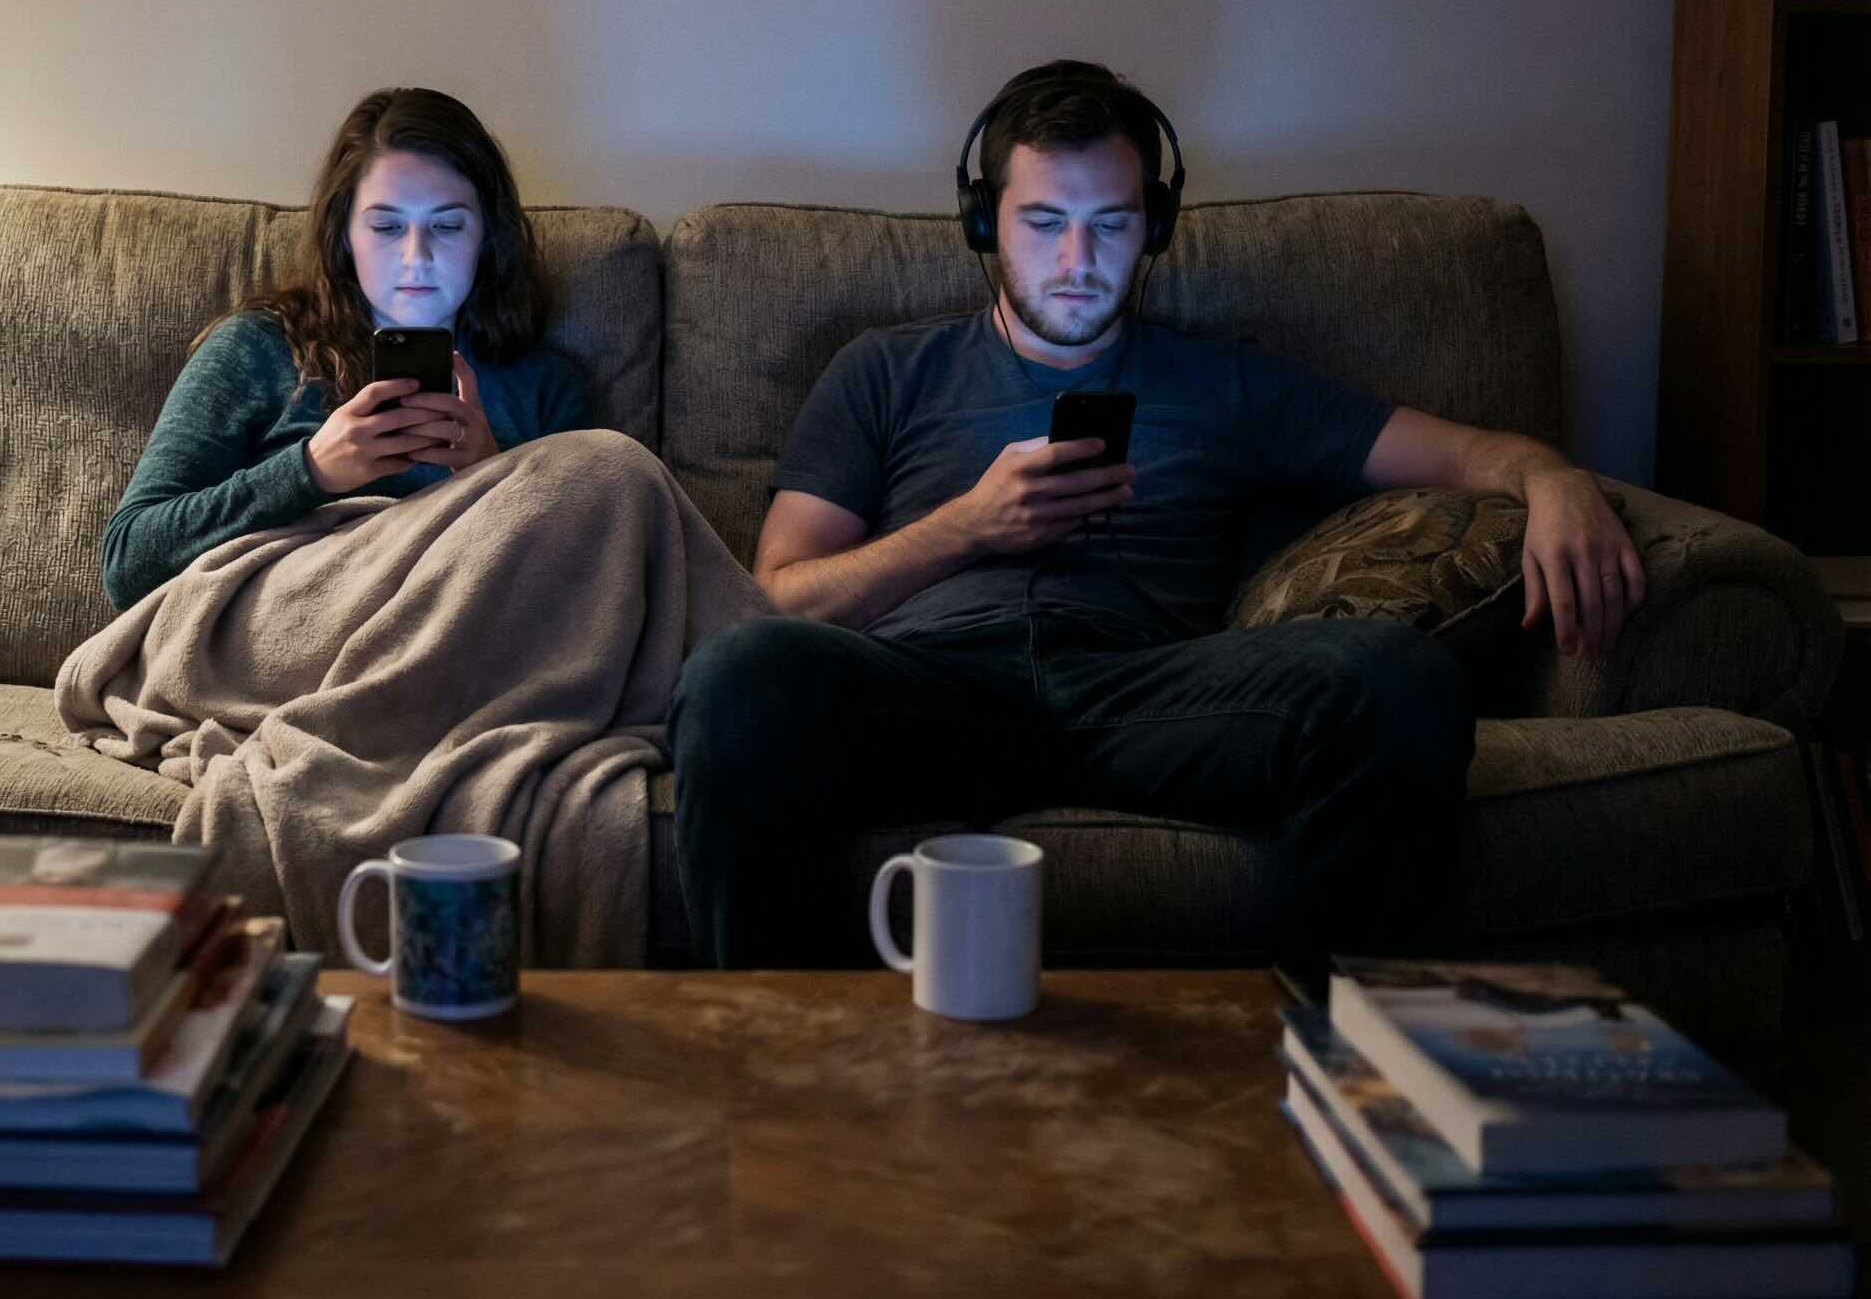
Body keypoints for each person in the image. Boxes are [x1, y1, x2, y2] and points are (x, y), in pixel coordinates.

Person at [668, 59, 1645, 971]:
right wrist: (966, 527)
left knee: (1393, 677)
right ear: (982, 225)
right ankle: (768, 1069)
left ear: (1156, 225)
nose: (1078, 258)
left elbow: (1469, 452)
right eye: (1043, 221)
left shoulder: (1224, 379)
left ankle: (1323, 1064)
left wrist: (1551, 476)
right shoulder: (883, 370)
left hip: (1148, 692)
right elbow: (779, 599)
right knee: (738, 678)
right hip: (929, 686)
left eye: (1112, 223)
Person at [101, 86, 589, 610]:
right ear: (344, 236)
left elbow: (588, 594)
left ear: (487, 237)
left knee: (623, 468)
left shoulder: (545, 385)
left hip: (460, 646)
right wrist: (310, 470)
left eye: (447, 225)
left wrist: (491, 480)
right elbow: (129, 562)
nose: (415, 255)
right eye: (385, 226)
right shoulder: (258, 349)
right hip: (297, 636)